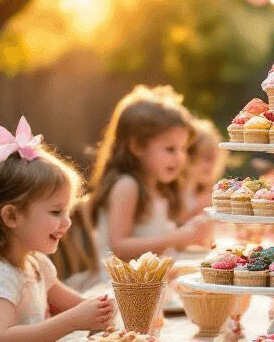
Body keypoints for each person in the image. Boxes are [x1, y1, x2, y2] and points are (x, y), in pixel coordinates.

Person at [0, 117, 115, 342]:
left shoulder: (36, 265)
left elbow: (81, 306)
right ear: (11, 215)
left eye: (68, 211)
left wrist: (113, 303)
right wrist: (73, 321)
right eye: (56, 212)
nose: (67, 222)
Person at [90, 85, 210, 262]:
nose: (180, 158)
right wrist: (178, 237)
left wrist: (191, 235)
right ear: (137, 146)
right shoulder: (126, 186)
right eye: (170, 149)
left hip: (149, 283)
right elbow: (120, 248)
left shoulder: (158, 188)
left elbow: (157, 246)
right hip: (121, 286)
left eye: (183, 148)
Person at [183, 118, 227, 218]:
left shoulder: (208, 190)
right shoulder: (174, 192)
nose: (212, 165)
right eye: (207, 158)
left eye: (214, 159)